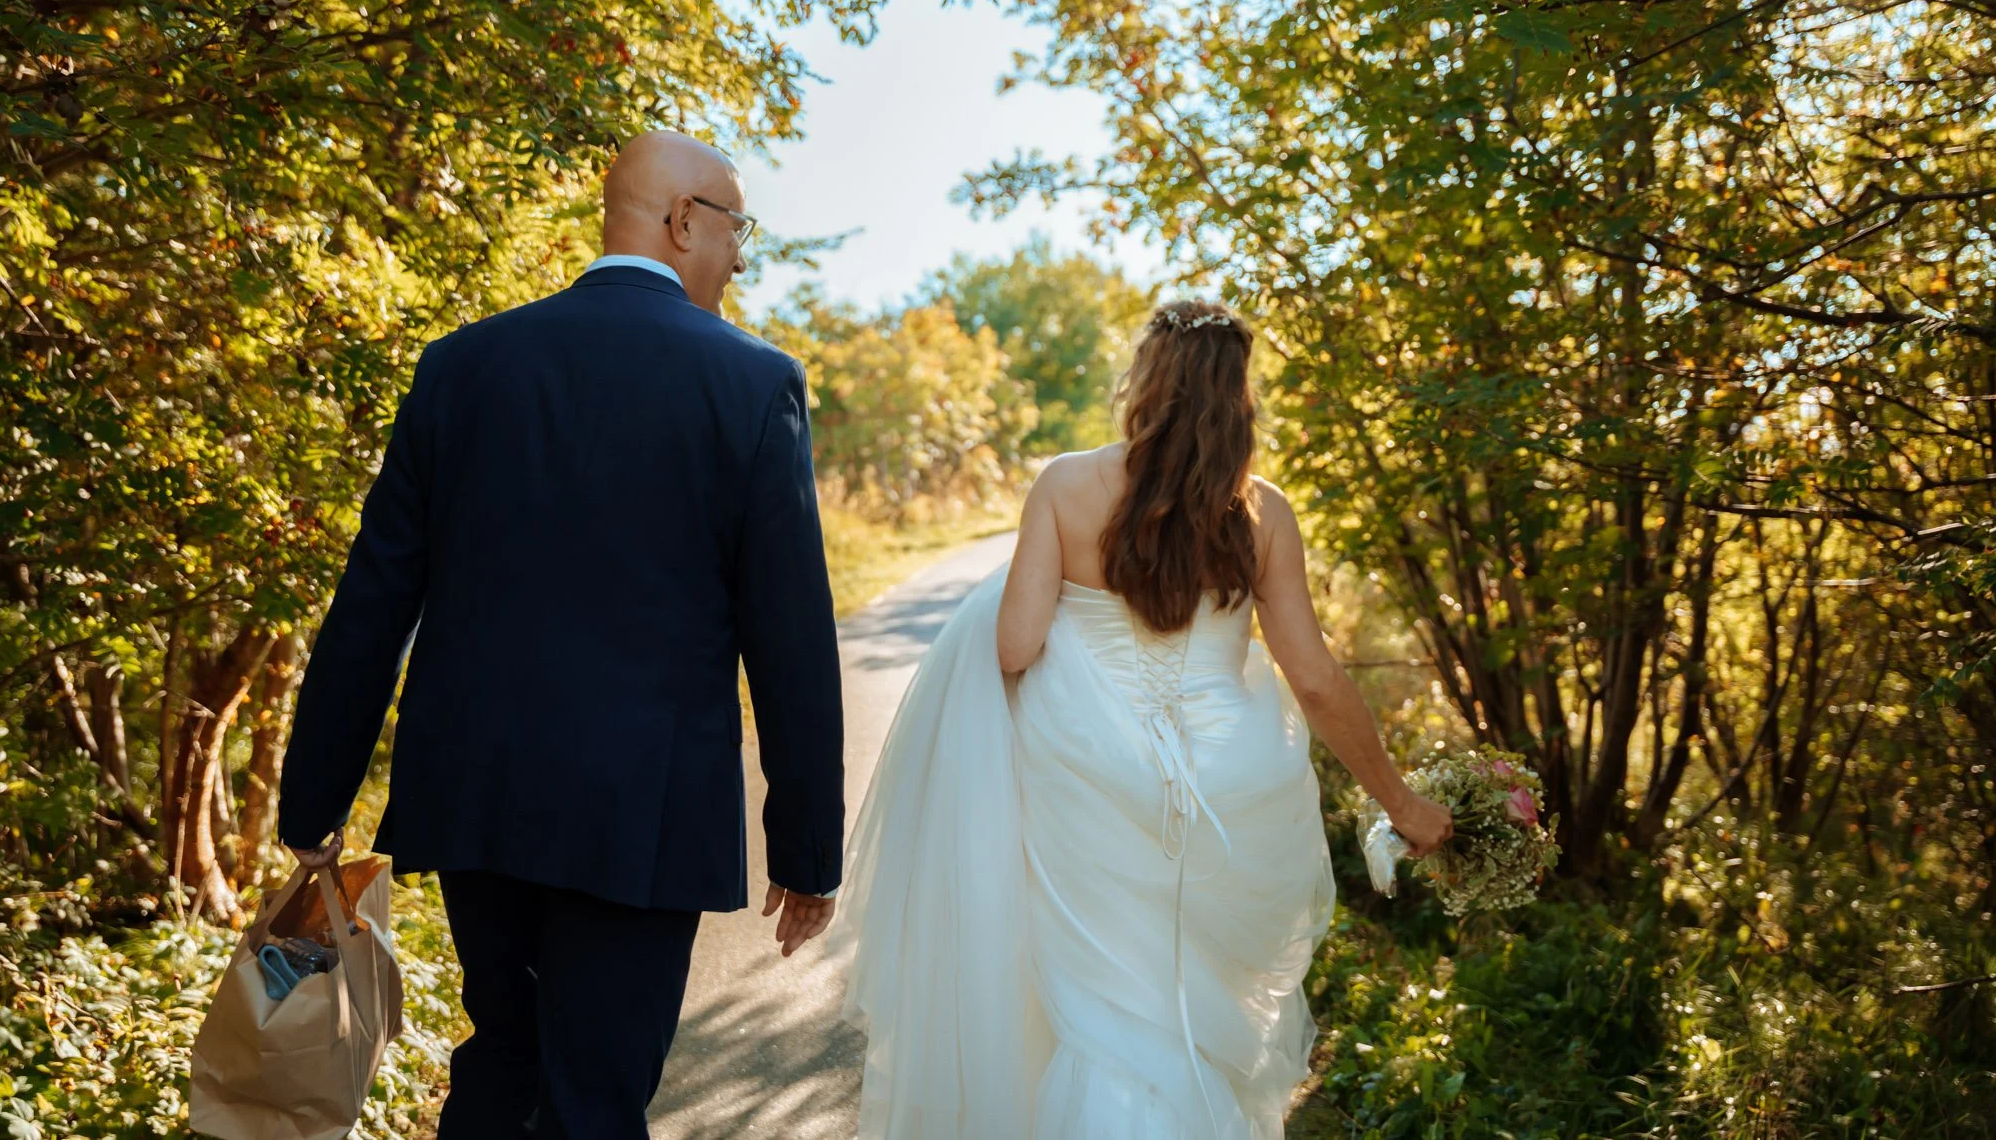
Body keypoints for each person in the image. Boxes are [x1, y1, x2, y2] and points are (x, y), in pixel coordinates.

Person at [275, 132, 844, 1140]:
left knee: (504, 1060)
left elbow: (374, 597)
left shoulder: (461, 365)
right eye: (736, 228)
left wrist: (313, 798)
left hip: (476, 798)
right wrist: (806, 848)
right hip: (643, 810)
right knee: (595, 1096)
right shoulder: (753, 382)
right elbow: (789, 636)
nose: (738, 256)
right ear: (682, 221)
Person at [832, 299, 1453, 1139]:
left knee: (1108, 1014)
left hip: (1087, 778)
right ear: (1237, 397)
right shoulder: (1262, 512)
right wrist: (1400, 801)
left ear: (1146, 382)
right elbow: (1313, 679)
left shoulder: (1065, 485)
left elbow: (1014, 646)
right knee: (1193, 1008)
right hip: (1232, 785)